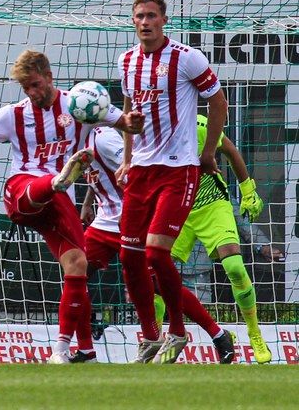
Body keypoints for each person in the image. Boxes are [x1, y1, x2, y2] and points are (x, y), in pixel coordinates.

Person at [0, 49, 145, 364]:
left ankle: (65, 351)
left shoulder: (79, 104)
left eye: (35, 85)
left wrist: (133, 122)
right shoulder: (11, 115)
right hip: (23, 189)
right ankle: (55, 180)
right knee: (43, 187)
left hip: (59, 201)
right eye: (26, 88)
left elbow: (125, 123)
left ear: (49, 77)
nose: (31, 92)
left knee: (77, 264)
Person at [115, 0, 229, 364]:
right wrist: (127, 159)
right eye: (139, 16)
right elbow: (130, 112)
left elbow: (218, 102)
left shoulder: (186, 57)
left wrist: (208, 153)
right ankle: (151, 337)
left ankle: (178, 331)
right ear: (133, 21)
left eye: (151, 15)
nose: (145, 22)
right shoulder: (127, 60)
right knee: (129, 257)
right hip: (141, 171)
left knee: (156, 252)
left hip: (179, 169)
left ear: (164, 20)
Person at [80, 125, 236, 364]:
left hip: (132, 218)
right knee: (76, 273)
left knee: (157, 284)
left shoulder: (104, 138)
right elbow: (100, 171)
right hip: (105, 221)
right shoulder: (75, 139)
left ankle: (216, 334)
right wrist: (88, 202)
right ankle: (84, 351)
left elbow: (131, 169)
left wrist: (135, 209)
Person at [168, 114, 272, 363]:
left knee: (234, 267)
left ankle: (255, 333)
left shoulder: (200, 124)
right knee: (155, 277)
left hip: (212, 204)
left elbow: (231, 151)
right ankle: (164, 339)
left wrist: (248, 190)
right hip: (176, 207)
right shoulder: (155, 128)